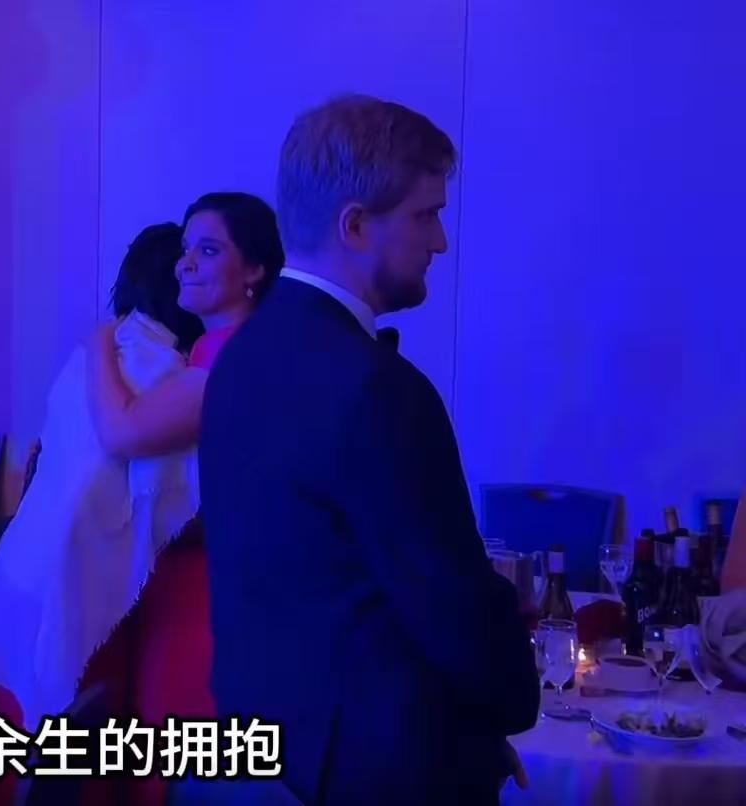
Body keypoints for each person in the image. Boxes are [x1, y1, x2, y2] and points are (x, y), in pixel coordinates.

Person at [198, 95, 540, 805]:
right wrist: (504, 705)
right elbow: (449, 604)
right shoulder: (377, 388)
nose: (440, 241)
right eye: (425, 215)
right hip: (371, 772)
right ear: (355, 225)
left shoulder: (240, 356)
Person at [86, 192, 284, 804]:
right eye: (186, 250)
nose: (186, 263)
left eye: (208, 250)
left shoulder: (232, 351)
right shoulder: (209, 347)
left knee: (180, 743)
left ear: (254, 269)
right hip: (189, 568)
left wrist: (97, 345)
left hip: (208, 577)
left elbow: (122, 432)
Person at [0, 222, 203, 734]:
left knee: (16, 745)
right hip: (79, 595)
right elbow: (168, 501)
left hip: (22, 574)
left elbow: (50, 460)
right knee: (77, 753)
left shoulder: (96, 352)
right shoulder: (167, 370)